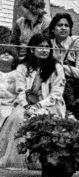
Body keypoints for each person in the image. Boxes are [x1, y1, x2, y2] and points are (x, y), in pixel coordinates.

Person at [0, 33, 67, 168]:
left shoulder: (56, 67)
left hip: (50, 104)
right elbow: (20, 91)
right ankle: (19, 159)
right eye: (40, 46)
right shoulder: (23, 67)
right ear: (32, 49)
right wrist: (26, 106)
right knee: (18, 117)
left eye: (47, 47)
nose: (44, 50)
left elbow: (56, 94)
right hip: (27, 103)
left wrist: (39, 105)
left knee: (42, 117)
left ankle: (40, 160)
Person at [48, 11, 79, 116]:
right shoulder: (48, 44)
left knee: (63, 83)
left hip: (77, 83)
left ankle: (72, 111)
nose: (63, 28)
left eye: (66, 25)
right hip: (54, 80)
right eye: (59, 25)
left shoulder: (78, 44)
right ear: (53, 29)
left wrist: (59, 66)